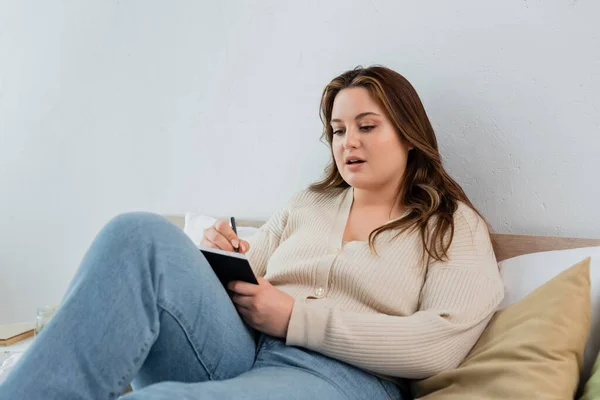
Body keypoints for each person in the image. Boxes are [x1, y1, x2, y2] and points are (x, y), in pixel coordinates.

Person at [0, 65, 504, 400]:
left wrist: (296, 319)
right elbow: (251, 287)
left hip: (339, 379)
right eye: (337, 129)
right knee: (137, 233)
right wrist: (226, 262)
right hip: (241, 350)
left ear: (409, 135)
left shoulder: (450, 225)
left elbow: (438, 345)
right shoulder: (308, 203)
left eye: (367, 126)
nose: (348, 141)